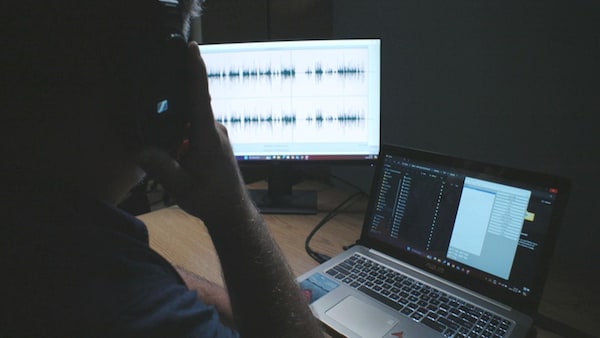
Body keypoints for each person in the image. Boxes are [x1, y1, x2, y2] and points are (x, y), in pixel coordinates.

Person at [0, 1, 323, 337]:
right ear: (151, 90)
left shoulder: (41, 230)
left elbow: (139, 269)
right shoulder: (137, 311)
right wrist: (233, 214)